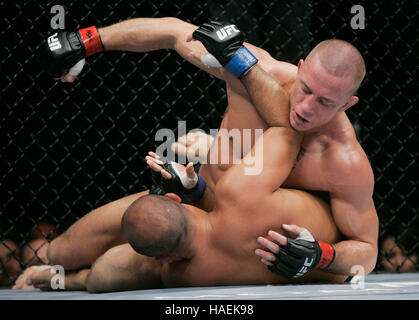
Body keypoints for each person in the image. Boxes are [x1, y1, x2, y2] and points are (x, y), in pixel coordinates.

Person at [37, 16, 377, 281]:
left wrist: (322, 255)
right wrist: (86, 42)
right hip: (194, 200)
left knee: (113, 271)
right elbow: (173, 33)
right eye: (305, 89)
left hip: (237, 249)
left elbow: (367, 252)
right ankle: (49, 272)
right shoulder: (253, 72)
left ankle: (69, 281)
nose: (305, 107)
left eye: (325, 101)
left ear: (348, 104)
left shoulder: (343, 161)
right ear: (300, 68)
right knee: (64, 250)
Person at [14, 62, 347, 290]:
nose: (305, 107)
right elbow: (284, 130)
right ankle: (56, 274)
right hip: (249, 214)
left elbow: (284, 127)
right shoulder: (238, 196)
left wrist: (209, 166)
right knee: (96, 266)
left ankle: (53, 271)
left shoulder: (184, 275)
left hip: (224, 208)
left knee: (87, 264)